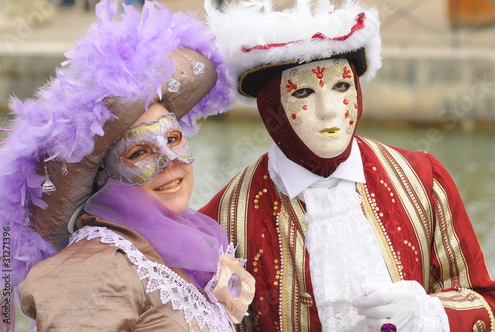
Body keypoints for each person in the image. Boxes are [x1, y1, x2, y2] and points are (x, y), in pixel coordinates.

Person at [201, 0, 495, 331]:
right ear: (272, 108)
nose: (328, 111)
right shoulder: (221, 222)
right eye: (303, 93)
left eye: (341, 86)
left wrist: (431, 315)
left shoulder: (423, 179)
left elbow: (485, 301)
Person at [0, 1, 254, 331]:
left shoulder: (181, 241)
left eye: (173, 138)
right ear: (102, 178)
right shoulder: (93, 268)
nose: (170, 160)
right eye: (139, 153)